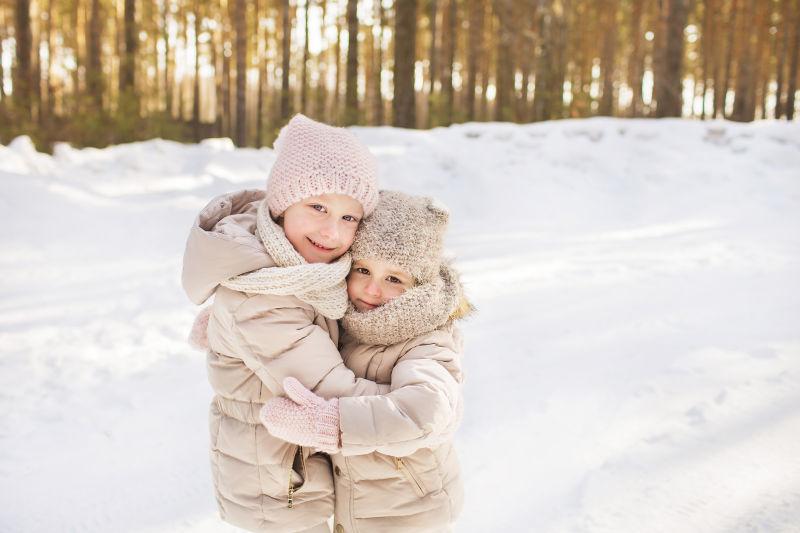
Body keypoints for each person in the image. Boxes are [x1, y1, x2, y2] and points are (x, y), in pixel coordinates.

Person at [182, 114, 387, 533]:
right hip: (281, 488)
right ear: (281, 206)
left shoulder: (304, 274)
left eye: (350, 218)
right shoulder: (263, 298)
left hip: (302, 469)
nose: (333, 230)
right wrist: (415, 406)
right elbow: (336, 390)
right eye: (318, 207)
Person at [262, 191, 471, 533]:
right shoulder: (346, 319)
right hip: (359, 512)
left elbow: (427, 409)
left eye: (394, 279)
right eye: (363, 269)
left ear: (418, 285)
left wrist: (334, 423)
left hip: (409, 513)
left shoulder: (425, 337)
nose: (372, 290)